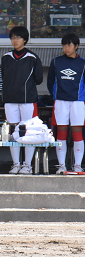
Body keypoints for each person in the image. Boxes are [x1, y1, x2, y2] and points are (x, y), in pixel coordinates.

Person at [2, 26, 43, 175]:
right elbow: (4, 77)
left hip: (27, 100)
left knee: (28, 131)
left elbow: (38, 79)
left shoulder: (32, 58)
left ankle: (27, 165)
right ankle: (15, 164)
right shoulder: (6, 57)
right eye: (12, 37)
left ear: (25, 39)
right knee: (13, 131)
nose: (15, 40)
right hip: (10, 100)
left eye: (18, 37)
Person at [46, 33, 85, 174]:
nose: (66, 48)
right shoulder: (56, 61)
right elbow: (50, 81)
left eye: (69, 45)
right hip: (60, 101)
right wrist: (55, 95)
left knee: (77, 133)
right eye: (64, 45)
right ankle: (61, 166)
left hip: (78, 102)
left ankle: (78, 166)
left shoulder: (83, 63)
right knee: (61, 132)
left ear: (76, 46)